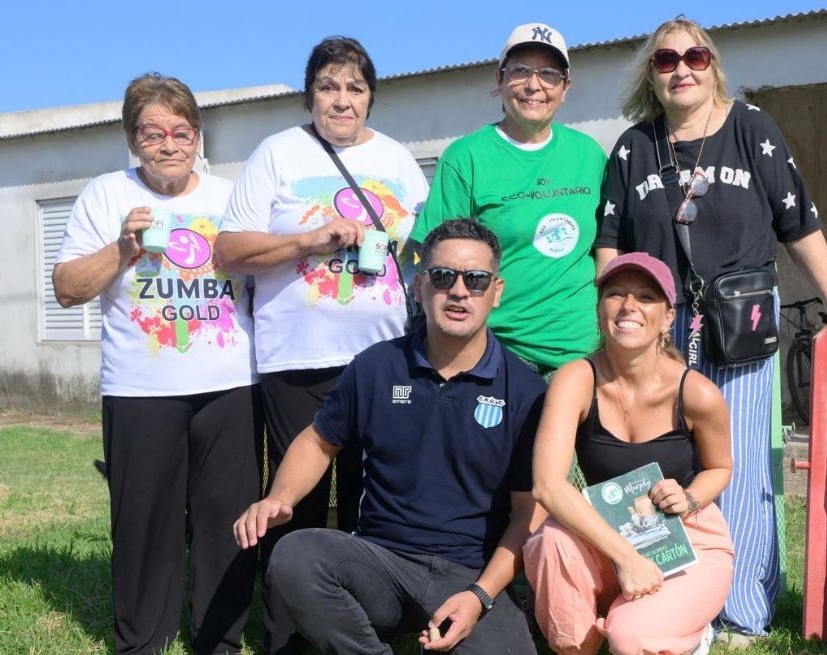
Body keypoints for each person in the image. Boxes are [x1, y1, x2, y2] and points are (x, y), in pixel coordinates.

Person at [594, 17, 827, 641]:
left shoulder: (753, 130)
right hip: (661, 329)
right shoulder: (634, 146)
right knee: (669, 464)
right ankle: (674, 587)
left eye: (693, 56)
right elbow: (608, 248)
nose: (681, 68)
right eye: (665, 60)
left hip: (740, 327)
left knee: (735, 465)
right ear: (651, 75)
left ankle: (744, 609)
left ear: (713, 64)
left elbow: (797, 221)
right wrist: (611, 324)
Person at [232, 219, 544, 654]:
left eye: (475, 280)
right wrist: (278, 497)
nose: (457, 291)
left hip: (471, 573)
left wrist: (479, 597)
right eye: (442, 276)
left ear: (496, 291)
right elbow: (319, 441)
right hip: (380, 562)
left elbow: (526, 516)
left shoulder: (526, 390)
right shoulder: (376, 366)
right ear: (419, 286)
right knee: (296, 555)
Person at [216, 36, 429, 652]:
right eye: (328, 87)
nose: (342, 100)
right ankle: (288, 638)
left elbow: (424, 251)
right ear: (309, 94)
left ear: (371, 98)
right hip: (297, 360)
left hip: (384, 356)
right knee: (297, 506)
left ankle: (364, 630)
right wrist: (307, 242)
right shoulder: (277, 153)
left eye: (355, 88)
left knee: (374, 501)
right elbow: (229, 250)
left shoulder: (395, 160)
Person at [52, 73, 258, 654]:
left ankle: (218, 638)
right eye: (153, 133)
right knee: (143, 523)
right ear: (131, 138)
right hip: (140, 388)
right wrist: (123, 249)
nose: (169, 144)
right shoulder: (106, 194)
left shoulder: (229, 196)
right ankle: (142, 640)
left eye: (181, 131)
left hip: (229, 384)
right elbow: (67, 288)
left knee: (228, 522)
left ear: (198, 135)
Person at [526, 252, 735, 655]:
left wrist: (689, 497)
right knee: (551, 542)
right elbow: (548, 486)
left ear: (668, 317)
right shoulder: (575, 379)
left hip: (683, 537)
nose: (629, 307)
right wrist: (626, 558)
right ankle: (580, 644)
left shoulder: (697, 392)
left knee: (631, 638)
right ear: (600, 307)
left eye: (645, 297)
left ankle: (682, 632)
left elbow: (721, 467)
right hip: (606, 535)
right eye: (616, 294)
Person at [411, 22, 604, 376]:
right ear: (499, 79)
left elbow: (607, 247)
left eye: (549, 74)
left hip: (584, 358)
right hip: (497, 357)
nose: (534, 85)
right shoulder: (466, 157)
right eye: (520, 72)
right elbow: (436, 262)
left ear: (566, 88)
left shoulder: (589, 155)